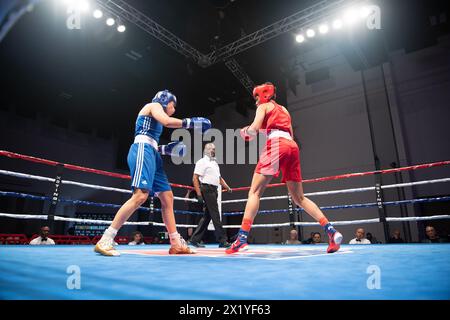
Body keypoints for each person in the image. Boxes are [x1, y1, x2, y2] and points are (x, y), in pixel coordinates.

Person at [226, 82, 343, 254]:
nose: (256, 102)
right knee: (299, 198)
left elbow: (254, 129)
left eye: (257, 97)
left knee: (254, 193)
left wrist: (245, 132)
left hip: (276, 144)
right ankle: (331, 231)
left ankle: (241, 238)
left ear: (263, 96)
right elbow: (290, 134)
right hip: (291, 146)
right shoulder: (284, 110)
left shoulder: (264, 107)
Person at [94, 89, 211, 256]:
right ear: (166, 101)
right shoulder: (154, 106)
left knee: (167, 197)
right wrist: (191, 122)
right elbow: (166, 121)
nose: (174, 109)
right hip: (143, 150)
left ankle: (176, 243)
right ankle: (106, 239)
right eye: (173, 105)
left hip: (152, 153)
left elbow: (151, 139)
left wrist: (165, 149)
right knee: (140, 196)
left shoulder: (154, 117)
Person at [189, 143, 232, 248]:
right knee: (215, 214)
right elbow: (195, 178)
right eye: (212, 149)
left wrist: (227, 187)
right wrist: (199, 194)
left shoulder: (215, 163)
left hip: (214, 190)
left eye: (214, 149)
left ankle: (194, 239)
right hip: (206, 189)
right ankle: (223, 240)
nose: (214, 151)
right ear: (206, 150)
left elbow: (219, 178)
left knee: (207, 216)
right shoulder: (201, 162)